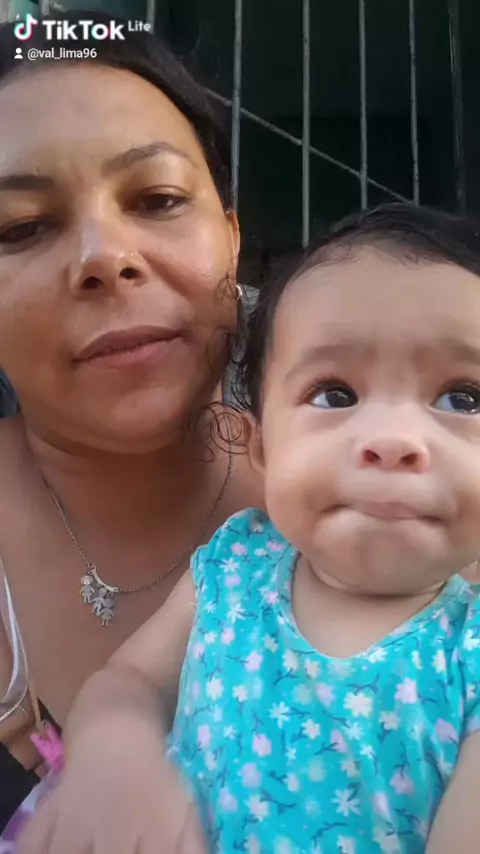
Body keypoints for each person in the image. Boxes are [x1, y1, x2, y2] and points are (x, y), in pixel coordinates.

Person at [17, 204, 480, 854]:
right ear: (261, 446)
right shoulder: (235, 563)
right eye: (335, 394)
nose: (394, 438)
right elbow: (128, 682)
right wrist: (115, 750)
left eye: (462, 398)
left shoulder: (469, 649)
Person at [0, 9, 261, 831]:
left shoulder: (411, 494)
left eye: (158, 199)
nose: (105, 258)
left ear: (231, 237)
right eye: (21, 227)